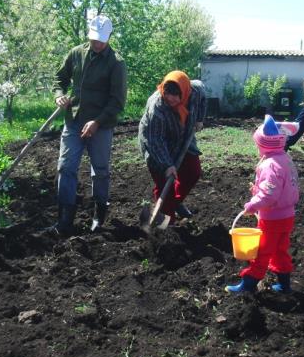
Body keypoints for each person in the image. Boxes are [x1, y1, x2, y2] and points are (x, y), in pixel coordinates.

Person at [52, 15, 128, 236]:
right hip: (74, 121)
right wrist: (59, 95)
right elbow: (60, 78)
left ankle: (99, 214)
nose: (97, 44)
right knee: (66, 167)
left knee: (100, 170)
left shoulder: (116, 63)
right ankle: (64, 219)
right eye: (94, 39)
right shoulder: (76, 54)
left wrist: (97, 122)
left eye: (101, 40)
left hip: (101, 125)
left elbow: (117, 101)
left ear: (109, 37)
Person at [226, 115, 299, 294]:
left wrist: (252, 205)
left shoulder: (270, 165)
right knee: (280, 251)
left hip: (272, 219)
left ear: (264, 144)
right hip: (287, 216)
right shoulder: (285, 159)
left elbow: (269, 195)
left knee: (261, 252)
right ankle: (284, 285)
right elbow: (280, 188)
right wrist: (258, 191)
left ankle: (248, 285)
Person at [138, 70, 206, 224]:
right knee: (164, 185)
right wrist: (167, 165)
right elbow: (155, 140)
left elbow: (203, 97)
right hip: (156, 143)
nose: (171, 99)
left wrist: (199, 119)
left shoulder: (194, 91)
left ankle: (174, 204)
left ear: (185, 91)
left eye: (176, 95)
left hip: (183, 137)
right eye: (167, 94)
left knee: (193, 171)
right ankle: (165, 228)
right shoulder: (157, 107)